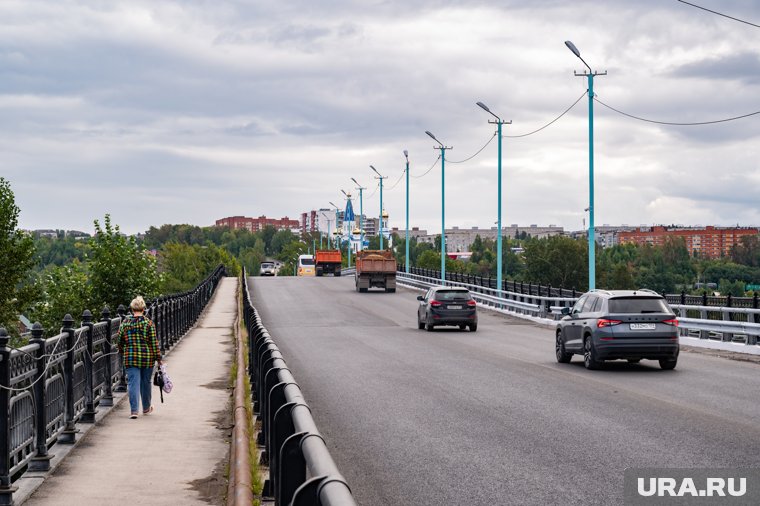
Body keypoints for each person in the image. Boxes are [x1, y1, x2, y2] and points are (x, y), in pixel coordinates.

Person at [117, 296, 162, 419]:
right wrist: (159, 358)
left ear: (132, 309)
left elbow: (120, 341)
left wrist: (122, 350)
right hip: (147, 358)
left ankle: (134, 411)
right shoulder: (148, 323)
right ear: (143, 309)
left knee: (133, 383)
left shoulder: (125, 323)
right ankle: (146, 408)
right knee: (145, 382)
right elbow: (154, 342)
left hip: (131, 357)